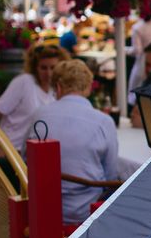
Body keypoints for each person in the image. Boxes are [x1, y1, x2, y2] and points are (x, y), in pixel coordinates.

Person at [30, 59, 120, 225]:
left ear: (58, 87)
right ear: (88, 88)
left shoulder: (39, 115)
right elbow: (111, 176)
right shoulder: (104, 122)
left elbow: (25, 161)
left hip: (43, 211)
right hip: (86, 216)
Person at [0, 45, 66, 154]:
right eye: (43, 68)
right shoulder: (24, 82)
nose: (48, 73)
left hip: (36, 154)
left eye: (53, 68)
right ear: (35, 67)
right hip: (10, 153)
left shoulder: (56, 91)